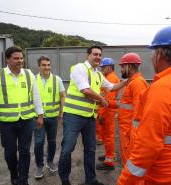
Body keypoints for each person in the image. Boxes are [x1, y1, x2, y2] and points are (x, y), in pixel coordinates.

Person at [117, 26, 171, 185]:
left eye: (153, 53)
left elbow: (148, 146)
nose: (151, 58)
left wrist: (124, 181)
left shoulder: (164, 88)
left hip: (162, 173)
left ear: (160, 54)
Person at [58, 45, 128, 185]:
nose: (98, 57)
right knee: (67, 149)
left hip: (89, 117)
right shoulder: (79, 68)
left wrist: (128, 80)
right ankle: (65, 180)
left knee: (90, 149)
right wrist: (101, 99)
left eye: (100, 55)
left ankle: (91, 180)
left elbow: (112, 87)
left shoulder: (98, 74)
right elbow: (85, 90)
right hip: (73, 116)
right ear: (88, 55)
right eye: (95, 54)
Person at [0, 46, 44, 185]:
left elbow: (36, 96)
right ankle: (14, 175)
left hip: (27, 120)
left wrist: (40, 115)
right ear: (7, 59)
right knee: (10, 153)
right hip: (7, 122)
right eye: (16, 58)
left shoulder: (29, 75)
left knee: (25, 151)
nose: (20, 60)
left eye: (21, 58)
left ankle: (23, 180)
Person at [34, 56, 66, 179]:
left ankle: (50, 161)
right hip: (38, 117)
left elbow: (63, 95)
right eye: (44, 65)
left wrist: (62, 111)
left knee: (52, 141)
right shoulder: (33, 79)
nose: (46, 67)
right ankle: (39, 166)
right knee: (38, 142)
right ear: (39, 66)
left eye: (48, 65)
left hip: (53, 117)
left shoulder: (56, 79)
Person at [117, 52, 148, 166]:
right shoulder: (132, 82)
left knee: (131, 164)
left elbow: (139, 112)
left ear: (129, 66)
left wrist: (133, 135)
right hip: (127, 131)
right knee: (128, 162)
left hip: (130, 133)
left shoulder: (137, 83)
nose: (121, 70)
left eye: (122, 67)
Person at [96, 57, 120, 171]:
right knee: (107, 136)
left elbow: (107, 101)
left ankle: (109, 161)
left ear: (109, 67)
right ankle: (108, 155)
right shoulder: (109, 77)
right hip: (106, 112)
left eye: (103, 67)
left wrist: (101, 114)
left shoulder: (111, 78)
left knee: (109, 137)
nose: (101, 69)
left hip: (107, 112)